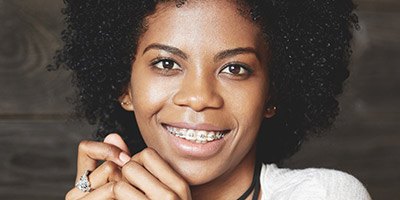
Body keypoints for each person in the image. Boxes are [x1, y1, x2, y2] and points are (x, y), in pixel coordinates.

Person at [51, 0, 371, 199]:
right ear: (125, 86)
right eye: (167, 63)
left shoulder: (324, 194)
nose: (199, 97)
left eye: (234, 68)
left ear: (273, 92)